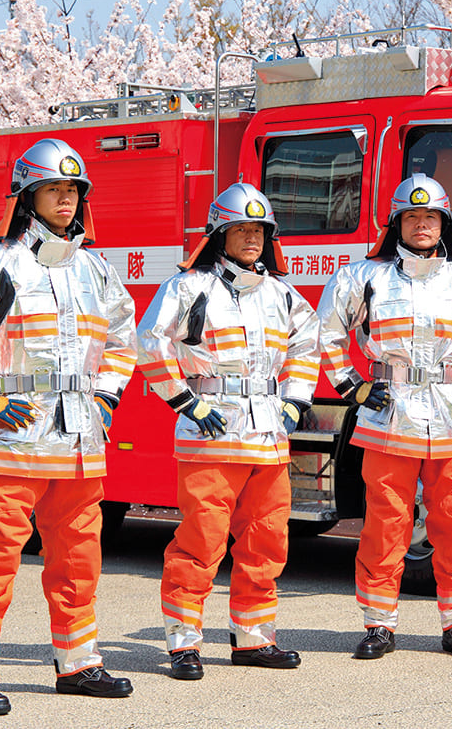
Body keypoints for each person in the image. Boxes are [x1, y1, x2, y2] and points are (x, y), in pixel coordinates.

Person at [0, 138, 137, 716]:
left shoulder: (97, 269)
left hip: (81, 441)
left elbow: (122, 340)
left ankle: (79, 663)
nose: (65, 201)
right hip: (11, 440)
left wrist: (107, 398)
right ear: (27, 197)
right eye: (53, 190)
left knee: (80, 557)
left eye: (73, 190)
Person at [317, 173, 452, 660]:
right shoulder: (363, 276)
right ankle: (379, 624)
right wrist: (353, 387)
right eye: (412, 216)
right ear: (396, 224)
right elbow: (325, 334)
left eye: (430, 217)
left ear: (445, 223)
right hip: (389, 411)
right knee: (385, 523)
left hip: (451, 412)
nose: (422, 225)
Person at [137, 182, 318, 678]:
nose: (252, 237)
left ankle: (253, 640)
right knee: (201, 540)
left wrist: (295, 402)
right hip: (210, 434)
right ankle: (183, 644)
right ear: (220, 233)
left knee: (266, 540)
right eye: (241, 228)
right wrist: (185, 402)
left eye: (259, 229)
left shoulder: (281, 293)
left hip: (268, 437)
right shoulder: (189, 286)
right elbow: (150, 343)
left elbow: (308, 348)